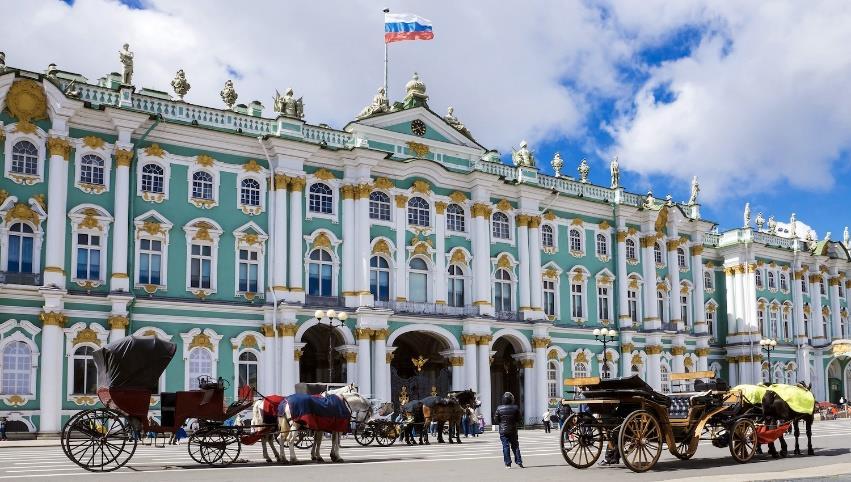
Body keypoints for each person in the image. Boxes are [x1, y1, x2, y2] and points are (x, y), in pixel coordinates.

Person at [494, 392, 524, 468]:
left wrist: (501, 423)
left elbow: (496, 419)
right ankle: (519, 462)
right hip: (513, 430)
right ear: (511, 400)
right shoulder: (515, 408)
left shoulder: (499, 408)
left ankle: (508, 464)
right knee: (515, 446)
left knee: (505, 446)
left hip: (503, 431)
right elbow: (519, 419)